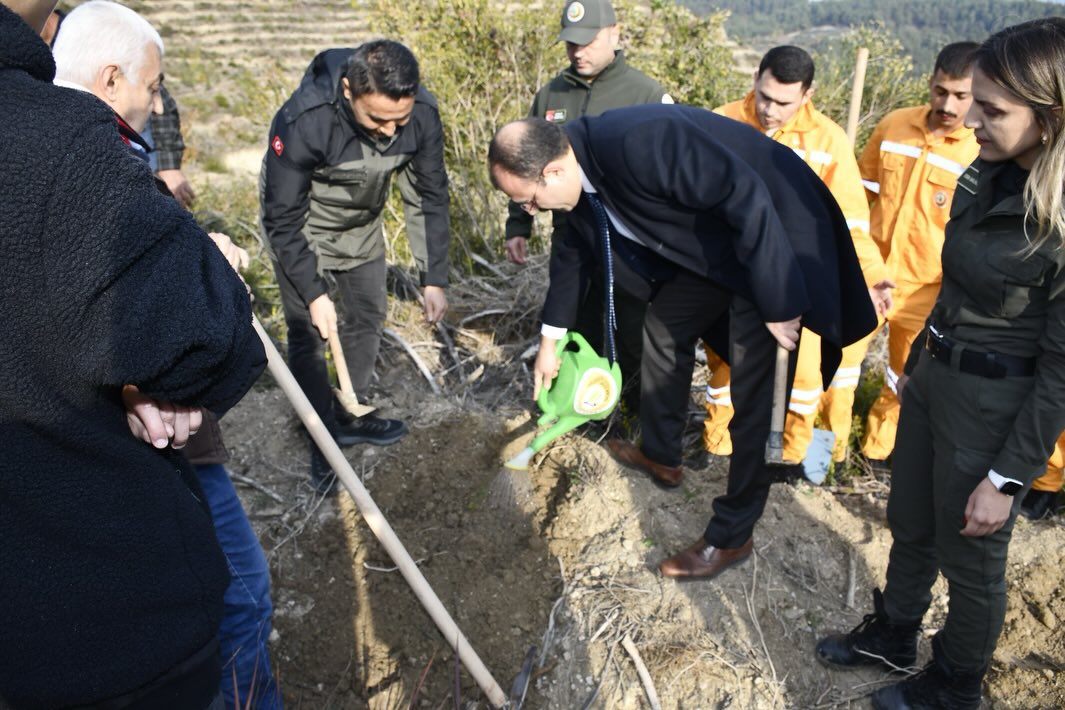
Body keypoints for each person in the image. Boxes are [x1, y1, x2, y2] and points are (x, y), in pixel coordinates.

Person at [0, 0, 266, 707]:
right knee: (246, 597)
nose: (155, 104)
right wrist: (214, 270)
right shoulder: (68, 147)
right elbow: (199, 340)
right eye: (152, 88)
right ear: (113, 79)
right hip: (102, 612)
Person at [488, 106, 876, 580]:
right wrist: (550, 342)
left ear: (552, 171)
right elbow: (570, 255)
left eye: (529, 201)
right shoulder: (573, 177)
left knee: (756, 393)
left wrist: (779, 300)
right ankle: (662, 454)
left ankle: (732, 536)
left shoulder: (639, 140)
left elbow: (747, 194)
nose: (530, 211)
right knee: (664, 326)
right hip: (717, 250)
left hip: (774, 239)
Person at [816, 19, 1065, 709]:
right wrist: (917, 372)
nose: (970, 120)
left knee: (972, 556)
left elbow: (1060, 372)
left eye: (991, 109)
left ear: (1049, 118)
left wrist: (1007, 477)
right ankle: (894, 633)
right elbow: (951, 287)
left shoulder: (1056, 221)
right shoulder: (985, 175)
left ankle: (954, 684)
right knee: (912, 520)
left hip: (995, 408)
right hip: (935, 378)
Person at [261, 39, 450, 492]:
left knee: (367, 314)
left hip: (360, 224)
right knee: (309, 333)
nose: (390, 131)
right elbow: (282, 219)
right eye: (377, 119)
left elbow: (429, 194)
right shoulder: (304, 119)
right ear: (348, 90)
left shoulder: (422, 114)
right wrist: (313, 292)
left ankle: (349, 412)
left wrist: (433, 277)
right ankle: (322, 439)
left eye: (399, 120)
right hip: (301, 226)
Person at [703, 46, 893, 469]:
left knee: (804, 379)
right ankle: (717, 449)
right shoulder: (721, 121)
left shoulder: (828, 141)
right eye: (765, 96)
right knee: (727, 365)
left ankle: (789, 459)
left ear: (808, 95)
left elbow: (850, 222)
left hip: (796, 280)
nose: (769, 110)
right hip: (732, 273)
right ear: (756, 78)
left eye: (783, 103)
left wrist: (872, 273)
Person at [504, 0, 672, 410]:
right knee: (577, 321)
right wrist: (518, 226)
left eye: (587, 42)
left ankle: (637, 409)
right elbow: (524, 163)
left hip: (630, 242)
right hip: (571, 235)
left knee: (633, 327)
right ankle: (587, 407)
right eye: (570, 44)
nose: (578, 52)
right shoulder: (551, 94)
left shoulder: (646, 94)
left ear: (615, 33)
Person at [858, 43, 981, 468]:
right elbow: (859, 197)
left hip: (925, 290)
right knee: (837, 364)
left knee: (904, 377)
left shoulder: (979, 151)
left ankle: (879, 452)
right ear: (930, 83)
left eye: (961, 96)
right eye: (941, 91)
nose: (948, 105)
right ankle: (825, 450)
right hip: (870, 275)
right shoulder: (894, 126)